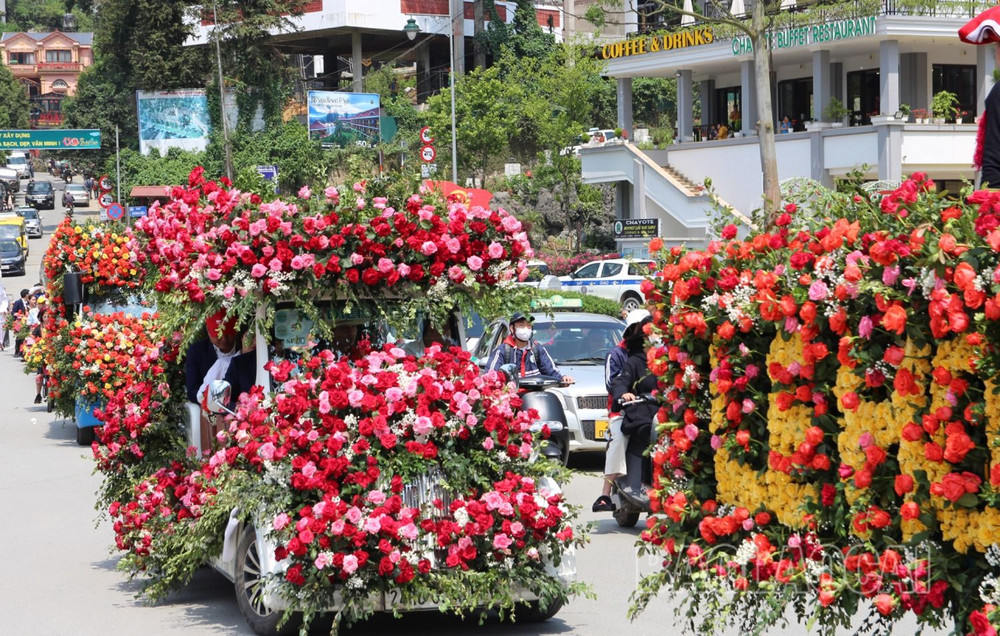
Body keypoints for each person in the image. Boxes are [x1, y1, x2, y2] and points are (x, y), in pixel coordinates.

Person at [593, 309, 650, 512]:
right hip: (622, 410)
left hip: (648, 409)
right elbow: (614, 383)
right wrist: (625, 394)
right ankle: (605, 493)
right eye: (641, 329)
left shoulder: (654, 356)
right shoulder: (617, 354)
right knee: (618, 438)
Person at [611, 314, 661, 493]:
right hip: (642, 409)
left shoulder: (670, 360)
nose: (659, 336)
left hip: (665, 410)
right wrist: (623, 394)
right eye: (655, 332)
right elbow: (620, 381)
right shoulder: (634, 361)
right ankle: (641, 482)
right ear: (645, 336)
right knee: (645, 429)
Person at [184, 310, 241, 453]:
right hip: (212, 413)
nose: (224, 340)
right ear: (209, 333)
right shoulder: (197, 351)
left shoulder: (246, 346)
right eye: (218, 336)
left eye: (228, 334)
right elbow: (192, 390)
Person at [484, 312, 574, 385]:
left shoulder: (537, 348)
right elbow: (490, 376)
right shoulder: (503, 350)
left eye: (529, 325)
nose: (526, 329)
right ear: (512, 328)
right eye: (521, 325)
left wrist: (563, 379)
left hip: (535, 397)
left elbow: (551, 371)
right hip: (512, 400)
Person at [11, 288, 28, 358]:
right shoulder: (18, 302)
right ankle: (17, 351)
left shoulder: (28, 303)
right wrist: (18, 314)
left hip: (26, 321)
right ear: (25, 295)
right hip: (19, 321)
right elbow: (13, 312)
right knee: (19, 337)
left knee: (25, 337)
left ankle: (22, 352)